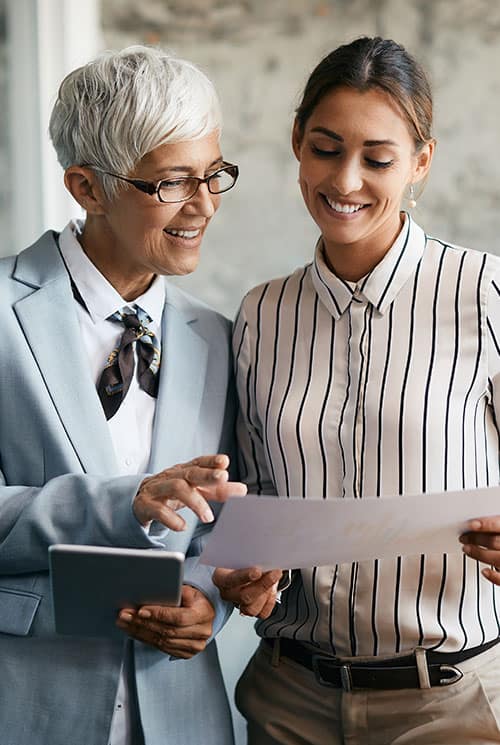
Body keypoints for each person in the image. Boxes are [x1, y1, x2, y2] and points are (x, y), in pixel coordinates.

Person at [213, 36, 500, 744]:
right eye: (325, 147)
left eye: (377, 158)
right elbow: (256, 500)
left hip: (452, 706)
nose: (344, 181)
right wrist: (246, 574)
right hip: (288, 698)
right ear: (296, 143)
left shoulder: (485, 292)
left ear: (420, 163)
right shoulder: (259, 313)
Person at [0, 45, 246, 745]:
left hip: (184, 716)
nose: (203, 205)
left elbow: (219, 524)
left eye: (214, 174)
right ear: (86, 187)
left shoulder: (216, 335)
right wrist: (126, 500)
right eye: (172, 183)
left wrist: (206, 600)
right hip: (28, 704)